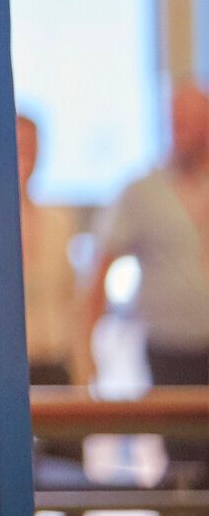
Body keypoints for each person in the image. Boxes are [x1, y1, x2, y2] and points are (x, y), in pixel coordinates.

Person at [85, 84, 209, 486]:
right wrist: (86, 357)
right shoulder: (142, 191)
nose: (180, 129)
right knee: (185, 462)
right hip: (170, 349)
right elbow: (100, 270)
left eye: (189, 119)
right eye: (174, 120)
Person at [20, 113, 86, 390]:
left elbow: (71, 300)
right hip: (13, 365)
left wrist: (82, 370)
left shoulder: (58, 222)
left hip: (55, 362)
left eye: (30, 148)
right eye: (18, 146)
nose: (24, 158)